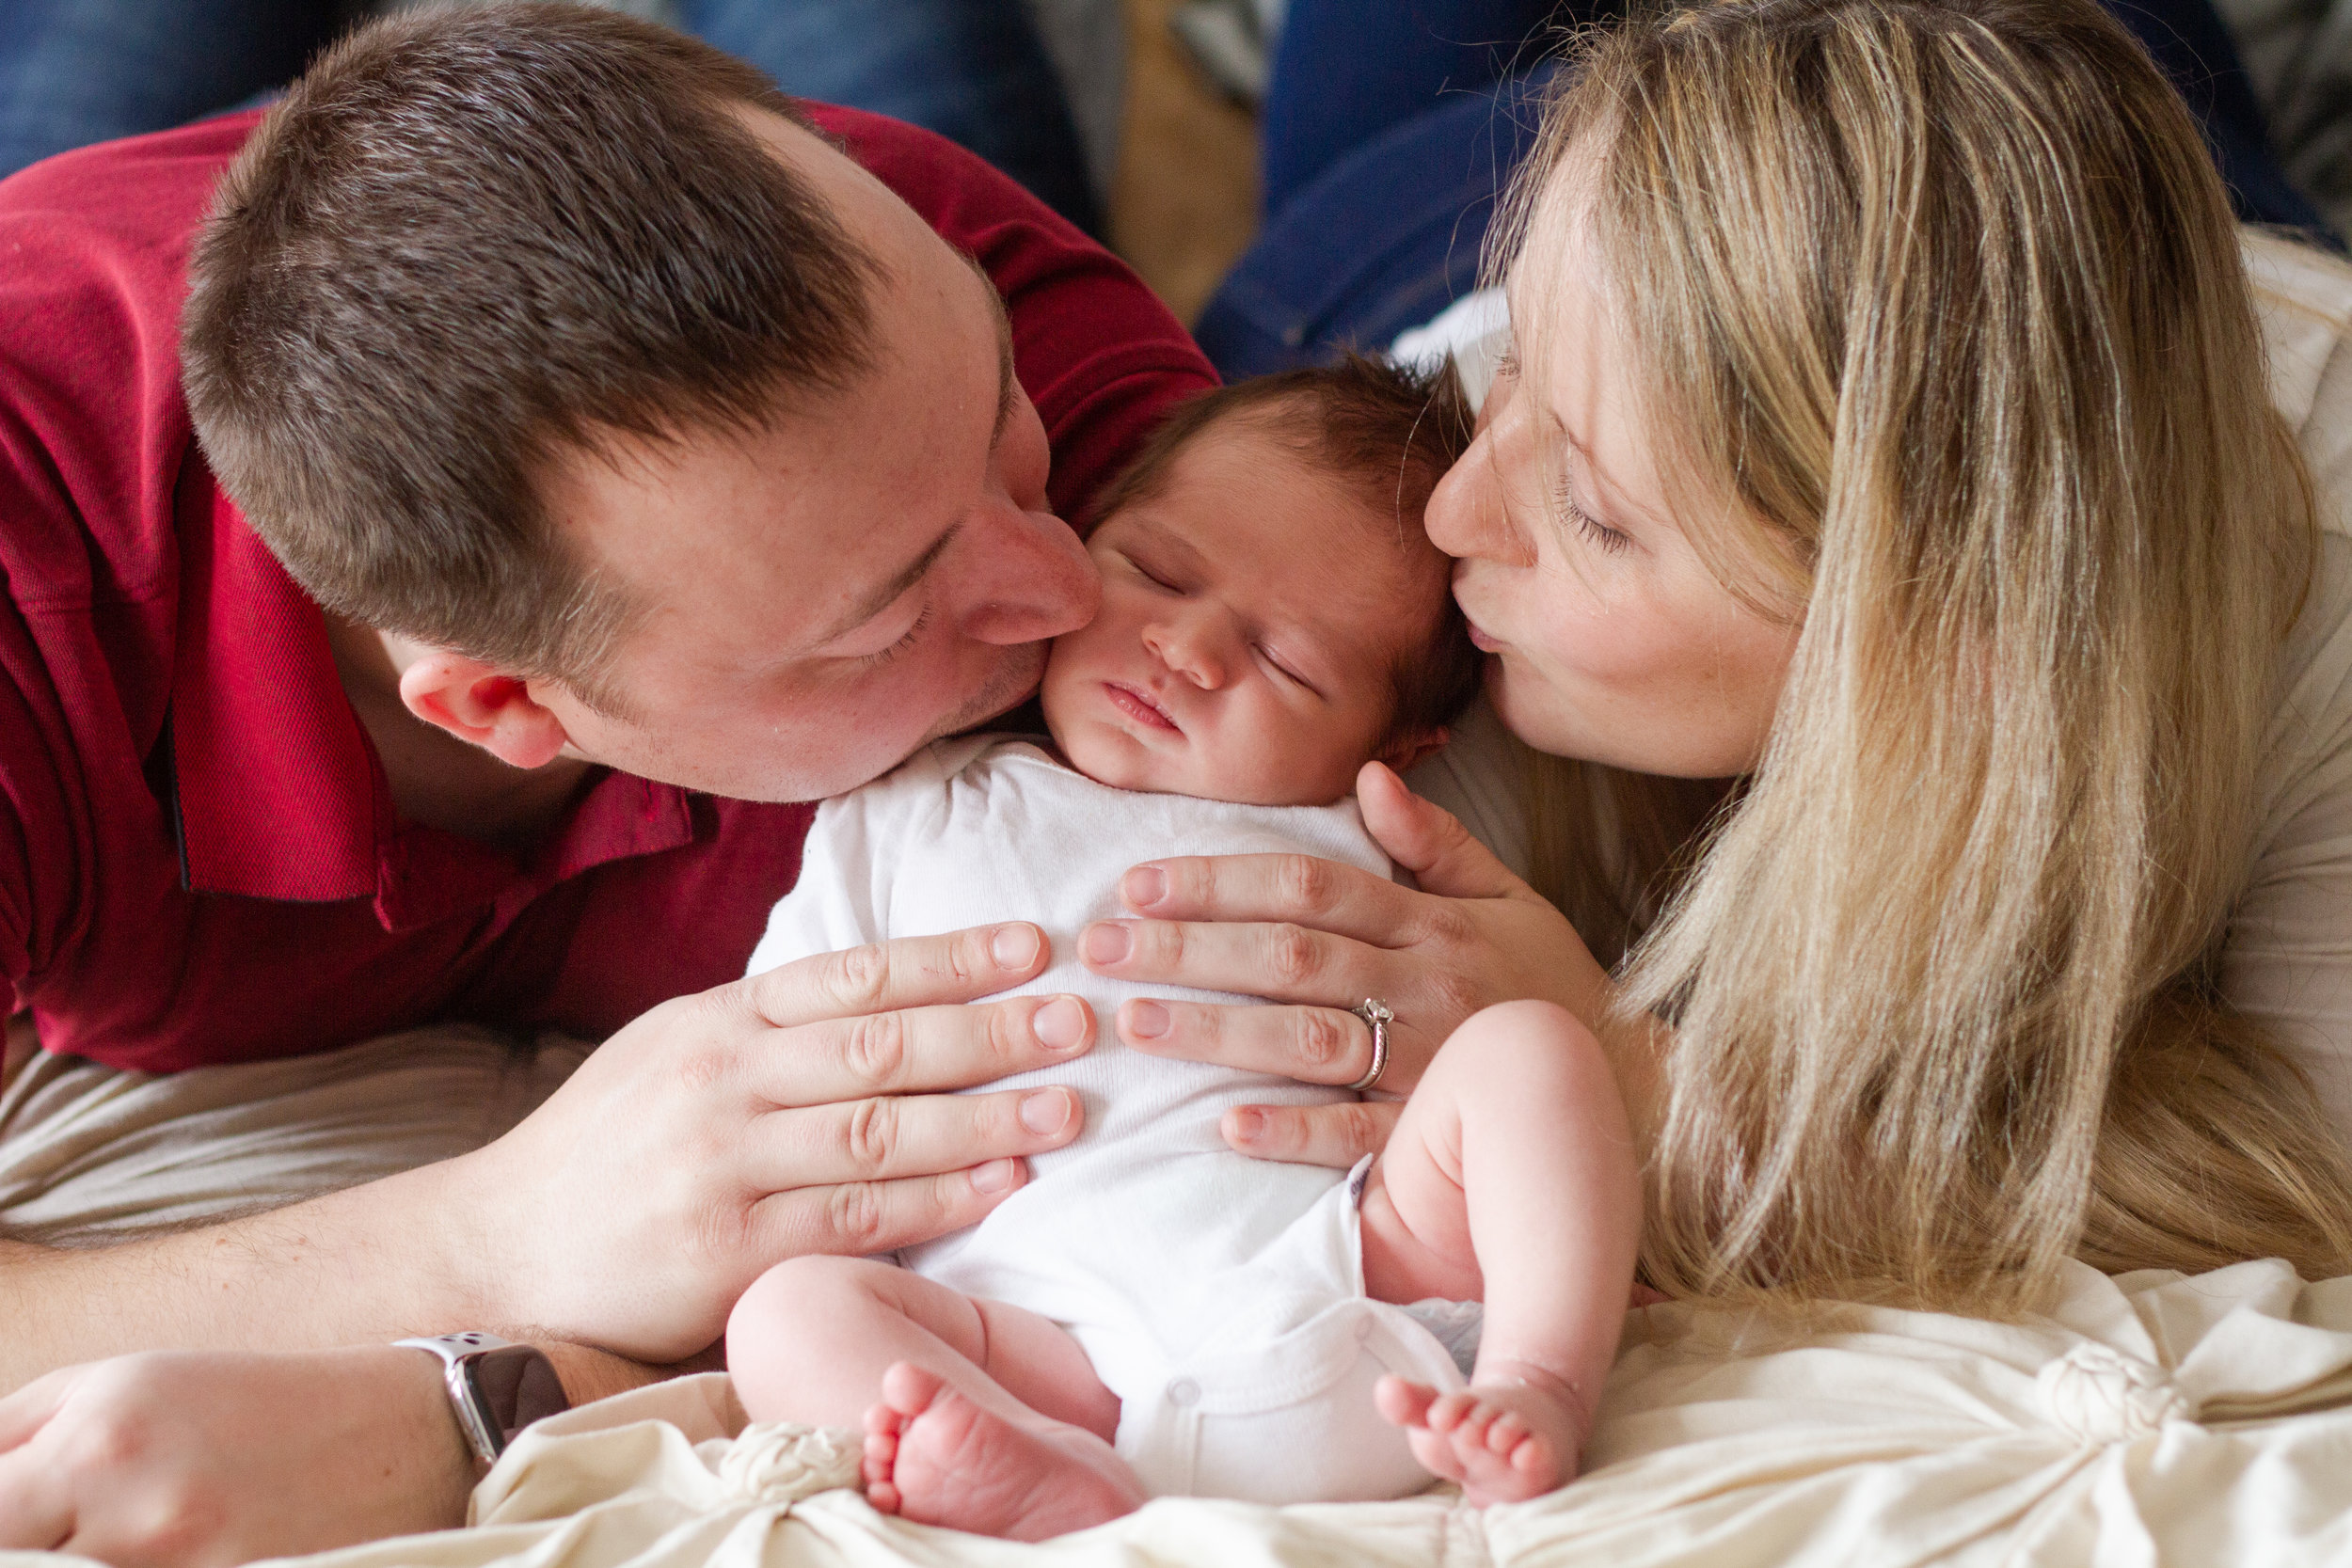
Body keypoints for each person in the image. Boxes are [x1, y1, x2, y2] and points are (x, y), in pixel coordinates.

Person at [723, 359, 1639, 1537]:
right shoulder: (908, 803)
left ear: (1400, 744)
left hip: (1353, 1291)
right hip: (1033, 1348)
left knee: (1534, 1048)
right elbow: (778, 1058)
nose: (1188, 646)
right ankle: (1045, 1475)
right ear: (1083, 537)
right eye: (1153, 570)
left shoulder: (1364, 839)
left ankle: (1543, 1378)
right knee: (784, 1315)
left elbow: (1489, 1060)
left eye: (1289, 665)